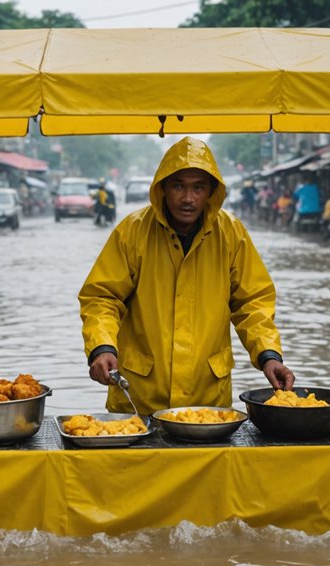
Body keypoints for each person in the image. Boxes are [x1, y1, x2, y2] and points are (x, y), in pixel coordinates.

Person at [78, 137, 295, 415]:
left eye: (198, 187)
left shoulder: (231, 234)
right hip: (140, 398)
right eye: (178, 186)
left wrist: (268, 355)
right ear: (163, 189)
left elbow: (252, 304)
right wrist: (102, 347)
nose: (188, 198)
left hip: (207, 401)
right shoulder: (132, 232)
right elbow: (102, 298)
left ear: (211, 192)